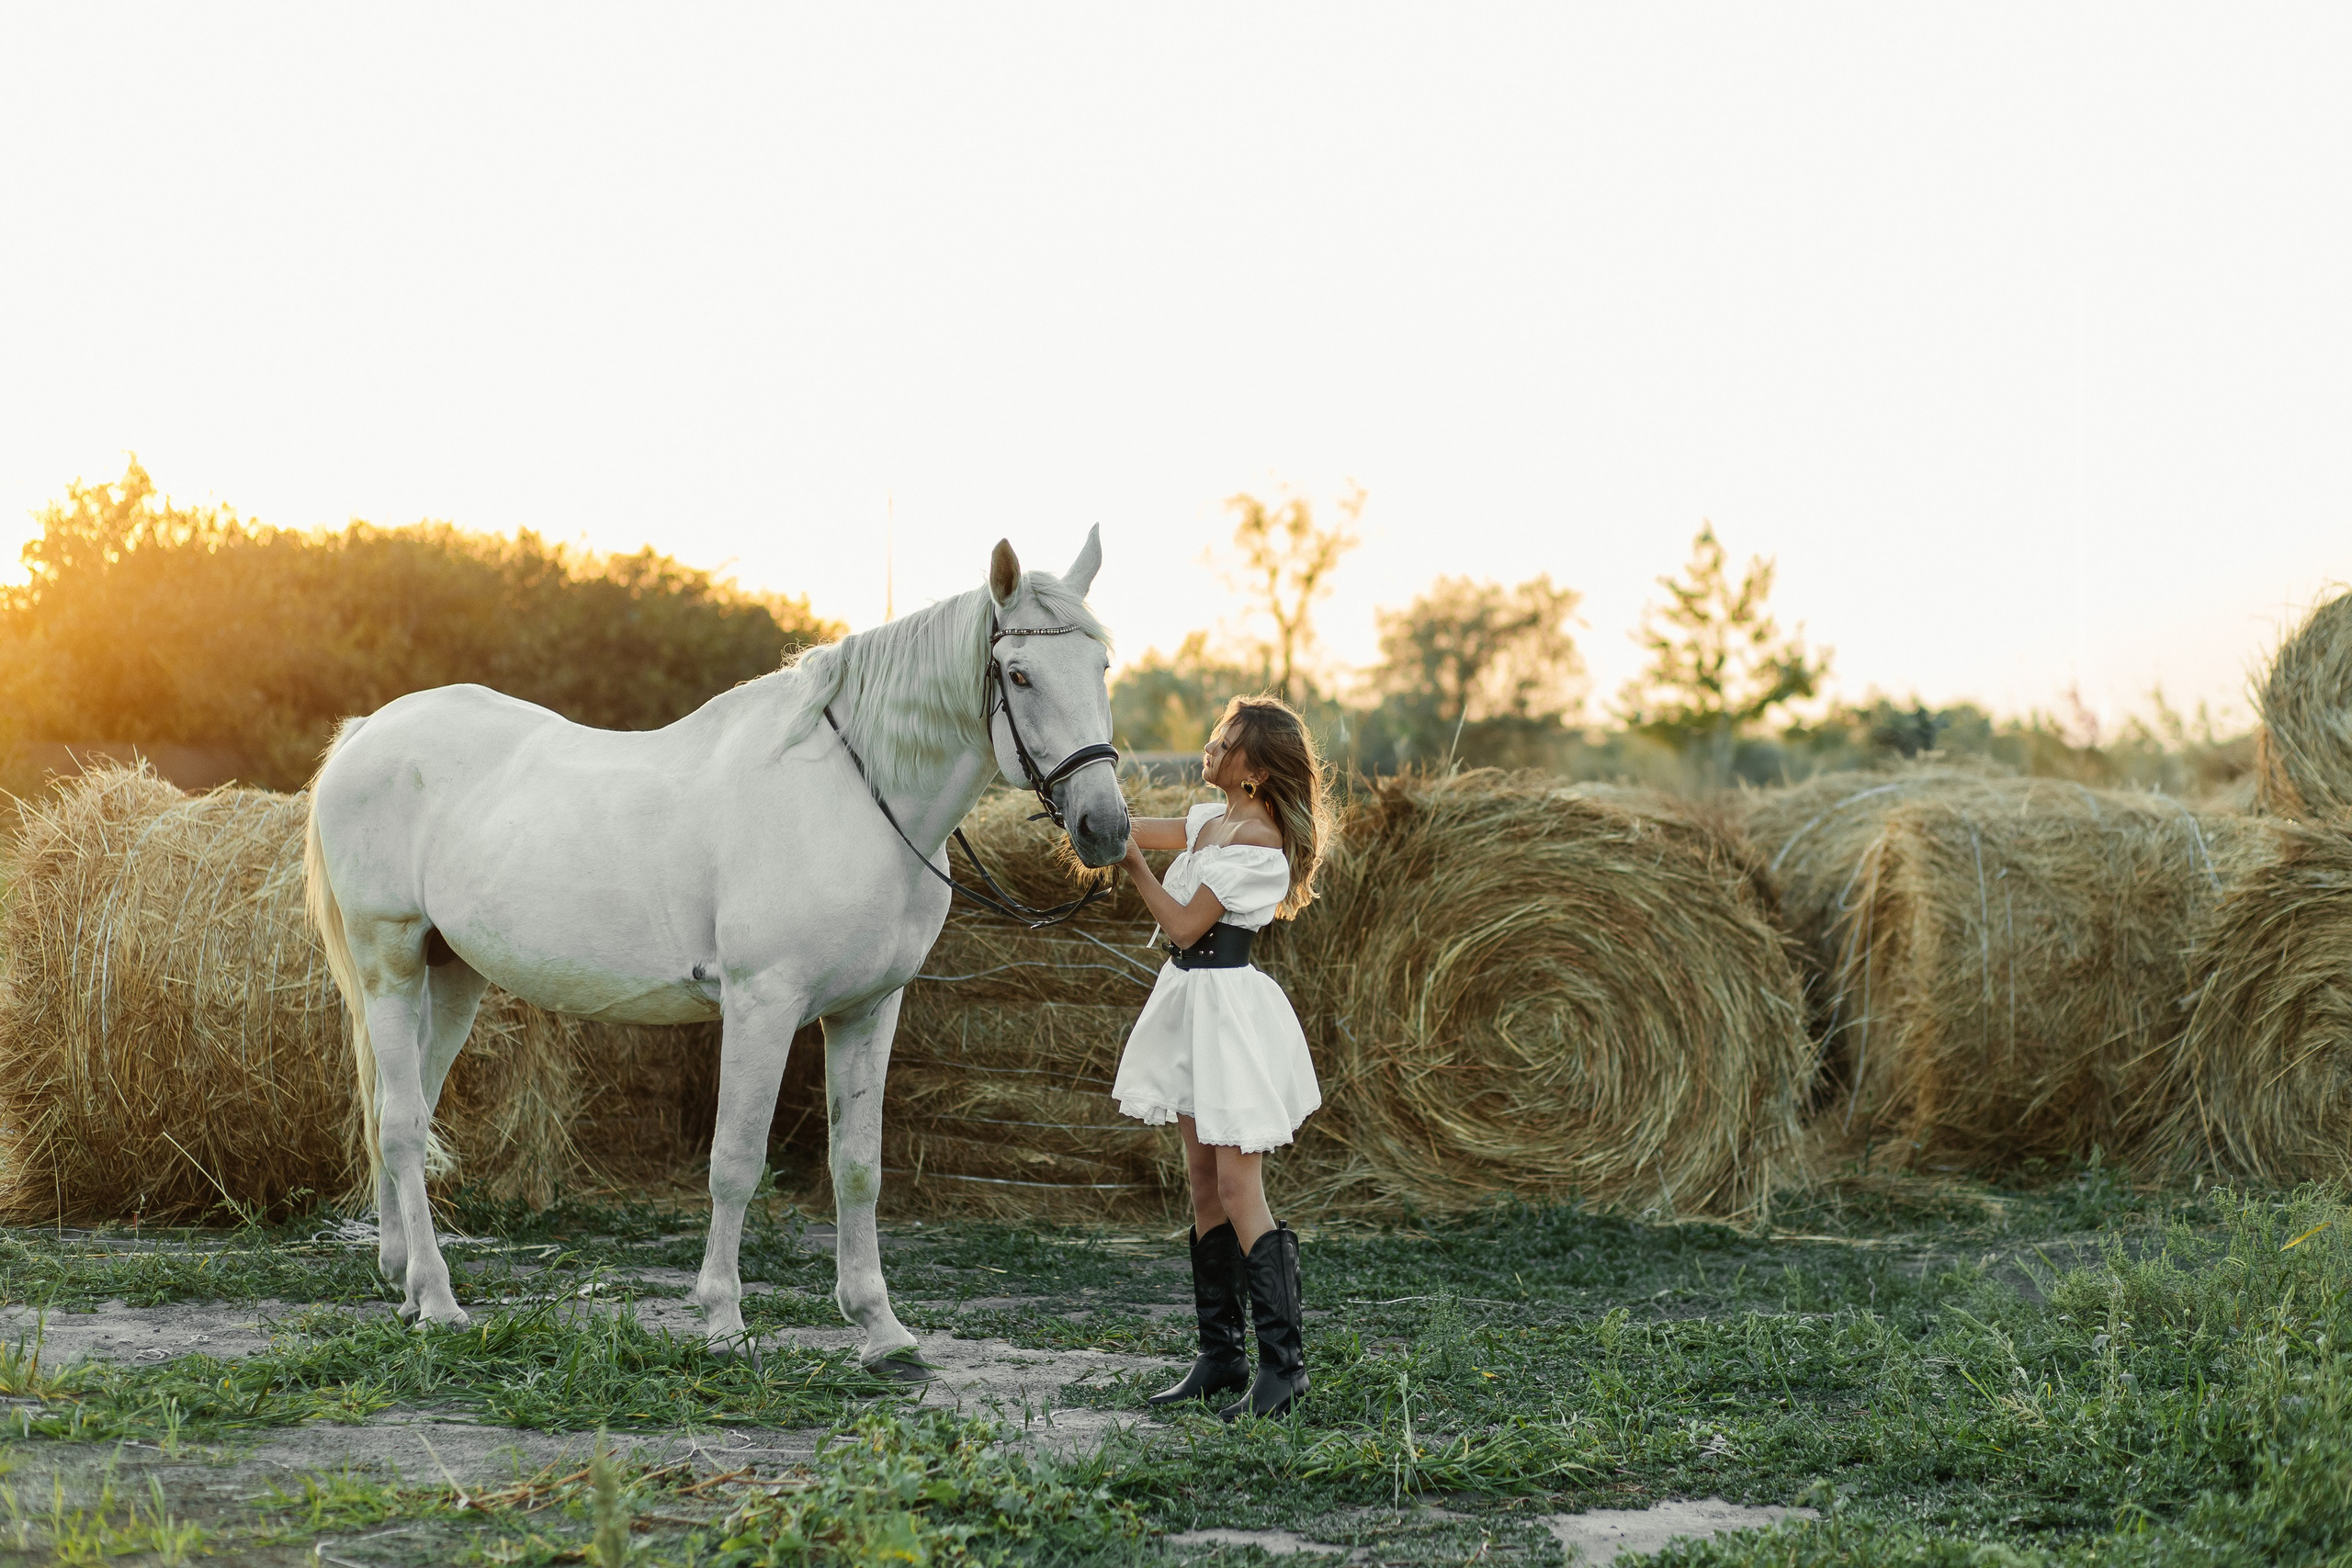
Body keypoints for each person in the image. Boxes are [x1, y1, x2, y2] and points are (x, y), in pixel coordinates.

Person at [1112, 694, 1332, 1421]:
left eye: (1225, 740)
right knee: (1204, 1186)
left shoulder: (1260, 843)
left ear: (1256, 771)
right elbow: (1132, 826)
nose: (1210, 746)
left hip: (1230, 1018)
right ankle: (1220, 1355)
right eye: (1215, 733)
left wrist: (1134, 863)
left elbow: (1181, 925)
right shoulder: (1213, 818)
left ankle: (1284, 1368)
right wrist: (1084, 807)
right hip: (1191, 1014)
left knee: (1241, 1193)